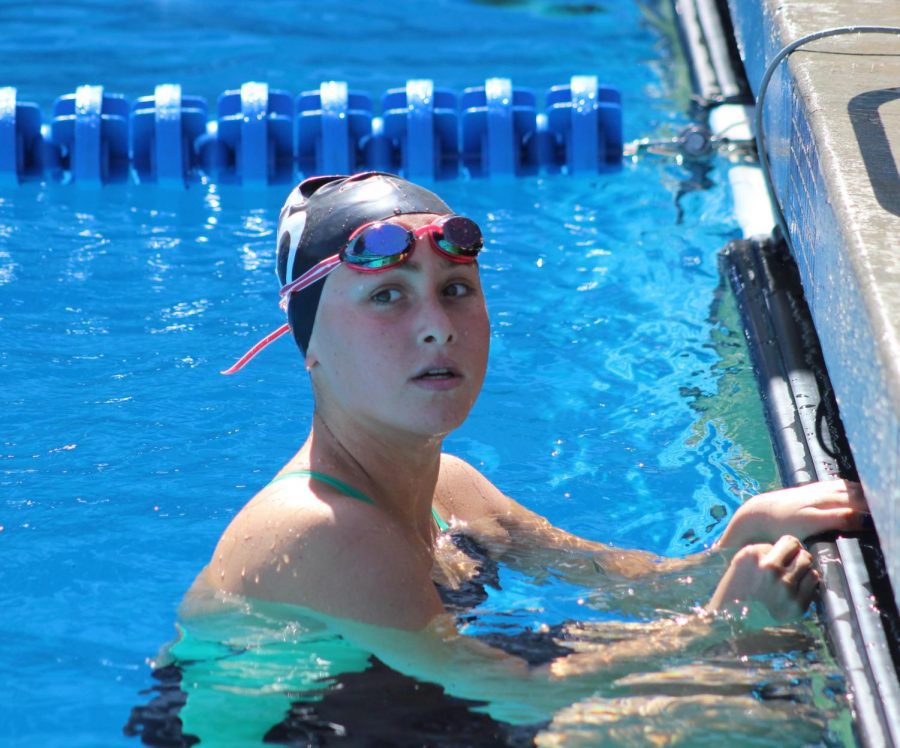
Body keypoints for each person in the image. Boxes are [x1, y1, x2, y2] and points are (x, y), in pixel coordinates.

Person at [192, 171, 866, 710]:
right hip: (302, 731)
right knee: (729, 714)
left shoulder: (453, 486)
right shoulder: (318, 527)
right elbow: (511, 693)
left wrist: (738, 542)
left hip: (398, 698)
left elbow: (621, 587)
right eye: (387, 297)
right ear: (311, 346)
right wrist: (720, 629)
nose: (437, 326)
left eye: (456, 289)